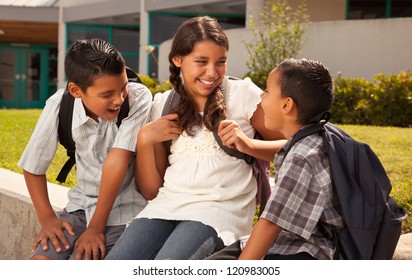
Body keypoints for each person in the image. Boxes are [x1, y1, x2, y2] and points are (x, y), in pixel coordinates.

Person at [105, 16, 285, 260]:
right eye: (201, 62)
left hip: (218, 212)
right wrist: (145, 139)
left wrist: (249, 144)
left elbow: (295, 147)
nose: (212, 72)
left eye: (220, 62)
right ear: (178, 59)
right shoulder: (163, 105)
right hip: (165, 207)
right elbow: (151, 191)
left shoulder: (242, 94)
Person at [18, 38, 152, 260]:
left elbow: (117, 161)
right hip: (80, 208)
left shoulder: (138, 99)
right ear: (76, 90)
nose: (118, 99)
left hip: (125, 213)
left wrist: (96, 229)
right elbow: (33, 165)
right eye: (107, 94)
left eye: (123, 87)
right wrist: (47, 219)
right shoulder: (60, 105)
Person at [208, 58, 345, 260]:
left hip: (312, 249)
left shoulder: (303, 156)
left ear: (286, 105)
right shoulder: (314, 136)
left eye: (266, 91)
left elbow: (271, 224)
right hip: (294, 238)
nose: (261, 97)